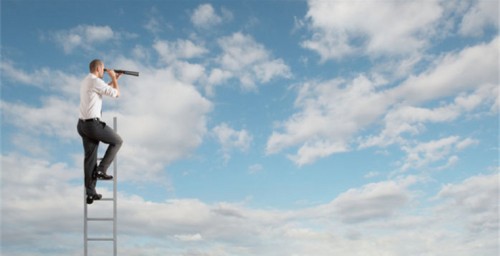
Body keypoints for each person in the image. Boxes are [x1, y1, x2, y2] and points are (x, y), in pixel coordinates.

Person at [77, 59, 123, 204]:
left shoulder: (87, 80)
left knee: (90, 160)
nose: (104, 71)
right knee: (117, 141)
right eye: (103, 69)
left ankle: (90, 193)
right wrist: (114, 78)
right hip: (92, 125)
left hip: (82, 125)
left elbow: (102, 89)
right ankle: (102, 170)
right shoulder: (95, 81)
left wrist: (113, 80)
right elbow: (116, 94)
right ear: (98, 68)